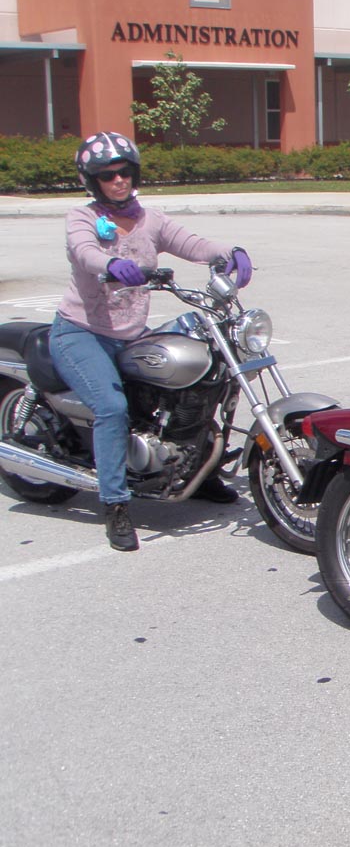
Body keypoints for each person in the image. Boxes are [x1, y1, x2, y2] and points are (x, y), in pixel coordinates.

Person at [52, 131, 254, 552]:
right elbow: (84, 251)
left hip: (131, 333)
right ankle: (115, 504)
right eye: (108, 175)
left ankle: (200, 471)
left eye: (125, 172)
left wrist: (229, 251)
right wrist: (111, 263)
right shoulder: (82, 217)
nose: (119, 180)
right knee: (112, 408)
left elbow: (192, 243)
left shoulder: (150, 219)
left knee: (200, 378)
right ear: (92, 181)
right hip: (82, 333)